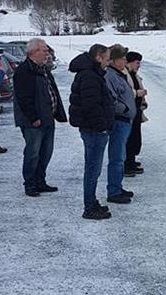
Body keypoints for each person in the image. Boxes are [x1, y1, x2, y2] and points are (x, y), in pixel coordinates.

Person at [14, 38, 67, 197]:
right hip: (34, 121)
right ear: (34, 52)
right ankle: (30, 184)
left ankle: (40, 181)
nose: (47, 53)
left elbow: (51, 91)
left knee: (46, 152)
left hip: (48, 117)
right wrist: (33, 118)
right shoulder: (24, 71)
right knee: (33, 153)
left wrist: (57, 112)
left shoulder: (43, 69)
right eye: (44, 51)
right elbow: (23, 98)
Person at [69, 44, 115, 220]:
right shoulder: (89, 76)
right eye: (107, 58)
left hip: (93, 129)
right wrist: (101, 125)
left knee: (93, 169)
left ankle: (92, 201)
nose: (108, 62)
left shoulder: (92, 73)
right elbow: (91, 105)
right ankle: (89, 207)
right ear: (98, 57)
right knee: (92, 169)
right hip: (94, 130)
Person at [104, 44, 137, 204]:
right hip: (119, 121)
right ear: (114, 60)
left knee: (120, 157)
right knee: (116, 158)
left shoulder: (119, 74)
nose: (125, 61)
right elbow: (111, 99)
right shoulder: (110, 76)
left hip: (125, 120)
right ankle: (114, 191)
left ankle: (117, 186)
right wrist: (124, 109)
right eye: (123, 58)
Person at [123, 51, 148, 176]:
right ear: (130, 62)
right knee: (129, 138)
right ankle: (126, 164)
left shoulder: (134, 75)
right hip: (128, 112)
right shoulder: (124, 75)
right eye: (137, 63)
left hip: (136, 110)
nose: (139, 66)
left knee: (135, 138)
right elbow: (124, 92)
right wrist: (137, 93)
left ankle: (131, 160)